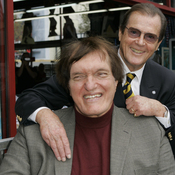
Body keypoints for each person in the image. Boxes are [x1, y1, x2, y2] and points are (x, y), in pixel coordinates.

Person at [15, 3, 175, 161]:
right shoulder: (88, 63)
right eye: (134, 32)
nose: (140, 42)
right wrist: (45, 116)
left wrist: (161, 112)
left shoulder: (168, 80)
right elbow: (28, 99)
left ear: (158, 44)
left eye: (150, 37)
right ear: (120, 33)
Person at [1, 36, 175, 174]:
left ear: (116, 82)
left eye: (101, 74)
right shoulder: (32, 135)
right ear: (67, 85)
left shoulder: (152, 132)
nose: (90, 85)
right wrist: (43, 115)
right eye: (78, 76)